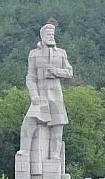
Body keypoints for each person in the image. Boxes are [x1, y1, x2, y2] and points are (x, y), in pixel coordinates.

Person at [18, 21, 73, 164]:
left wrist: (56, 71)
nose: (51, 36)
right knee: (29, 121)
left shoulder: (61, 53)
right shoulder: (34, 54)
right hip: (40, 95)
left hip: (56, 95)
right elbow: (30, 77)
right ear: (42, 36)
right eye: (48, 34)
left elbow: (69, 72)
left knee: (57, 127)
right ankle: (24, 149)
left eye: (52, 34)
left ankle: (55, 155)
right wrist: (33, 94)